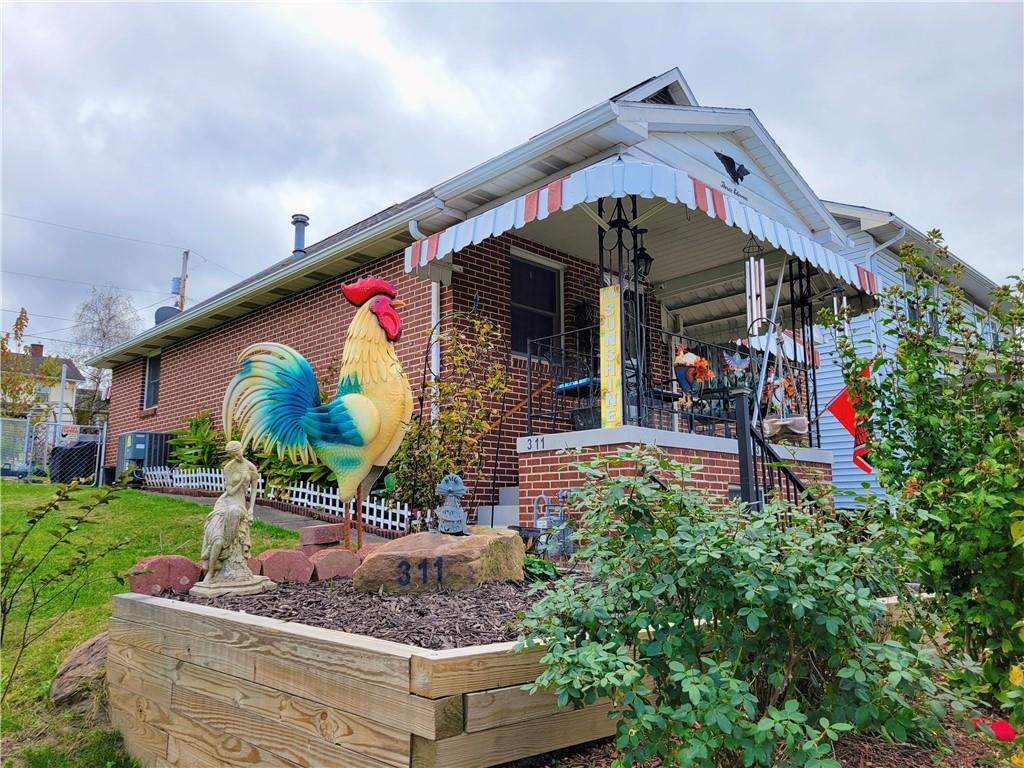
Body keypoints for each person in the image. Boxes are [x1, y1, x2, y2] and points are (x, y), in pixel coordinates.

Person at [199, 440, 259, 584]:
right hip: (225, 502)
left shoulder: (251, 467)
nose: (236, 456)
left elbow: (254, 491)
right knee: (217, 536)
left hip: (239, 504)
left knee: (234, 513)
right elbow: (230, 491)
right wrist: (240, 482)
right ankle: (211, 570)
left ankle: (225, 549)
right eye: (233, 454)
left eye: (237, 453)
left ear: (241, 450)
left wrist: (251, 509)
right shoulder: (228, 468)